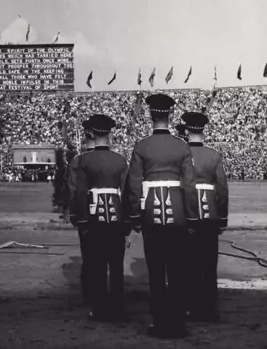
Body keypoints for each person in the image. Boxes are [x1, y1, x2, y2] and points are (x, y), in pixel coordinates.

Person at [124, 94, 198, 339]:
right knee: (177, 271)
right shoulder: (181, 145)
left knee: (156, 272)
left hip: (151, 216)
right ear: (171, 116)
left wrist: (134, 214)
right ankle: (176, 322)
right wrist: (191, 217)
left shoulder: (142, 146)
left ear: (150, 115)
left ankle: (159, 321)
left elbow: (133, 184)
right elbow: (189, 186)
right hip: (178, 215)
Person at [71, 114, 129, 322]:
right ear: (109, 133)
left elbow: (79, 193)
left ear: (92, 133)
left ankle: (100, 308)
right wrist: (127, 220)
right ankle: (118, 307)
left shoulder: (84, 160)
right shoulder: (120, 160)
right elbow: (127, 191)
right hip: (116, 216)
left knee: (96, 265)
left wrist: (82, 219)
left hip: (94, 217)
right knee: (116, 265)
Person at [182, 111, 229, 322]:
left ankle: (190, 306)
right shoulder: (213, 155)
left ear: (187, 130)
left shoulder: (181, 154)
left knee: (188, 263)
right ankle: (210, 308)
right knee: (209, 265)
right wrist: (222, 219)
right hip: (209, 213)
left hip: (187, 213)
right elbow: (222, 190)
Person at [68, 119, 95, 305]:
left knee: (89, 256)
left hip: (86, 213)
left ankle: (90, 293)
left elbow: (73, 189)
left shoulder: (78, 161)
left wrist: (74, 214)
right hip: (109, 212)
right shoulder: (114, 158)